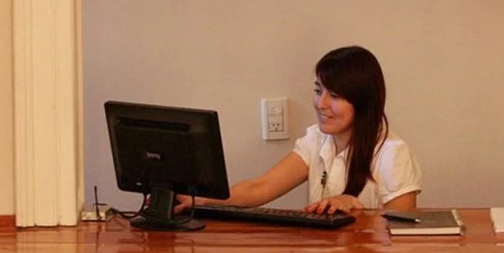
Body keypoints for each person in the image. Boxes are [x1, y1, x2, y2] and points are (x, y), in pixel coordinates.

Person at [178, 45, 421, 214]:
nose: (321, 103)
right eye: (318, 91)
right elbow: (260, 188)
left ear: (363, 101)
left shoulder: (393, 153)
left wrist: (359, 210)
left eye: (335, 95)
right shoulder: (316, 139)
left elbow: (402, 232)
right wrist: (201, 199)